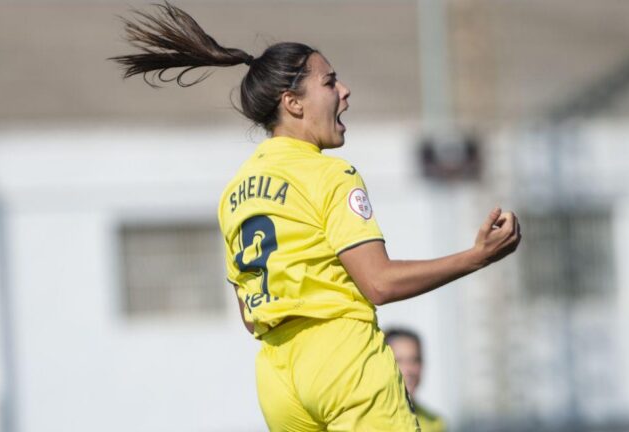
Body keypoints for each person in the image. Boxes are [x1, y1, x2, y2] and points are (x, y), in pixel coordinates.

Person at [111, 3, 521, 431]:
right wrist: (476, 257)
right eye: (329, 82)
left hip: (277, 376)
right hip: (342, 360)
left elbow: (249, 317)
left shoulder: (235, 193)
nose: (344, 91)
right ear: (292, 103)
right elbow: (379, 283)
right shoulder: (329, 174)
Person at [385, 328, 446, 432]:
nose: (409, 369)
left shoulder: (435, 423)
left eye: (415, 360)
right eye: (399, 360)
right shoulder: (365, 418)